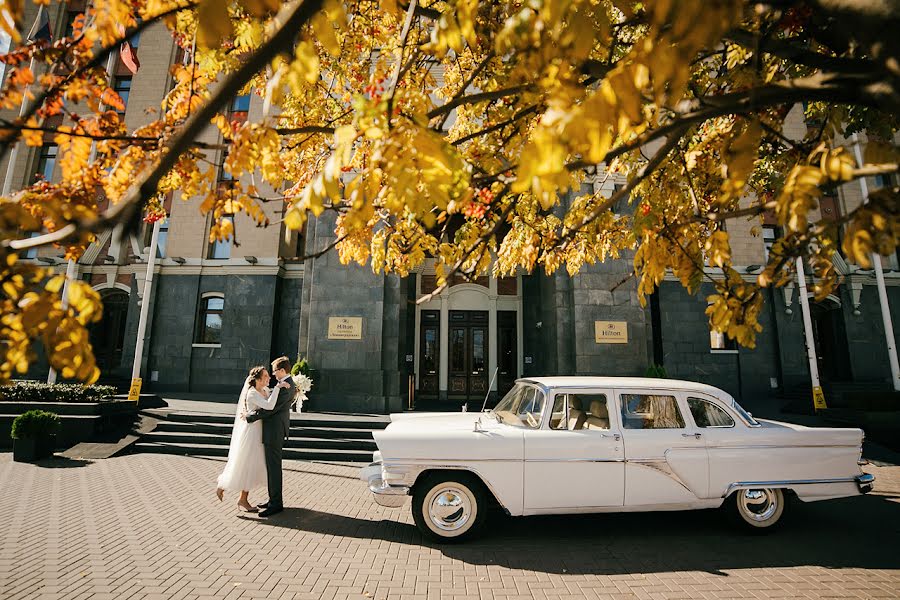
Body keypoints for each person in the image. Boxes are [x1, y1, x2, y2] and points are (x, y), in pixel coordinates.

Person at [215, 366, 289, 512]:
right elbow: (269, 405)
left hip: (260, 431)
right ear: (258, 379)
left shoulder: (265, 390)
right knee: (244, 463)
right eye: (266, 376)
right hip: (251, 433)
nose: (269, 378)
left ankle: (243, 499)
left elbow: (272, 397)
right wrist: (279, 387)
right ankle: (223, 485)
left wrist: (285, 389)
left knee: (251, 466)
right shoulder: (252, 394)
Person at [245, 356, 295, 517]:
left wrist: (250, 416)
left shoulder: (286, 387)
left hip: (274, 431)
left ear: (282, 371)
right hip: (275, 429)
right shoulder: (287, 384)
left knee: (274, 468)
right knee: (272, 467)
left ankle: (276, 503)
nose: (273, 375)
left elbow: (270, 409)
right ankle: (272, 499)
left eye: (274, 371)